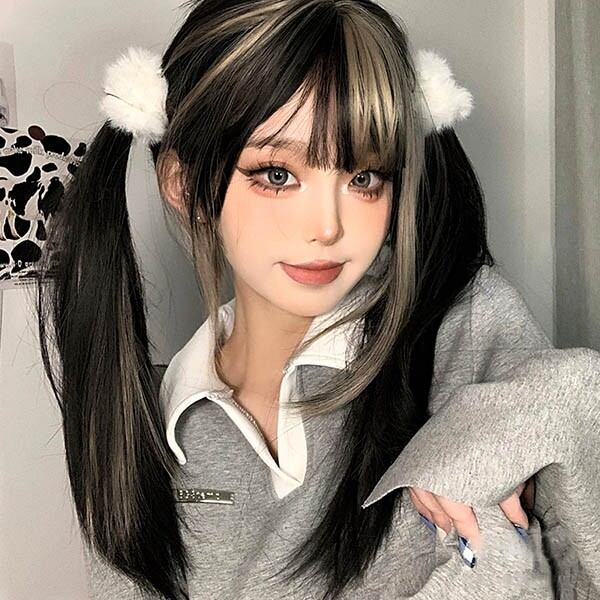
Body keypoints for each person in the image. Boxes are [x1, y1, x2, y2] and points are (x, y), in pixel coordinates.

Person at [34, 1, 600, 599]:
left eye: (364, 177)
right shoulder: (144, 432)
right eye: (277, 174)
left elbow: (578, 400)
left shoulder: (458, 334)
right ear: (185, 185)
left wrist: (486, 445)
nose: (329, 226)